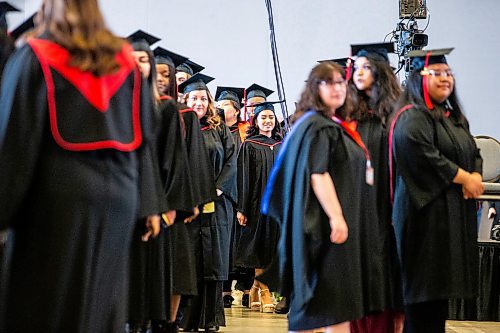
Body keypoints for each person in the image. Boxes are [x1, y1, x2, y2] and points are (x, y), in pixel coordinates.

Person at [0, 1, 163, 332]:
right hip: (118, 203)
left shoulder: (36, 56)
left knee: (42, 308)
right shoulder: (124, 64)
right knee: (99, 307)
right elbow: (145, 138)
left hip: (55, 203)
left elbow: (14, 145)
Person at [260, 61, 375, 333]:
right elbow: (318, 174)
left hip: (329, 229)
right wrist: (337, 217)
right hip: (323, 229)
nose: (337, 88)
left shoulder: (324, 124)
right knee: (328, 307)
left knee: (327, 307)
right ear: (314, 88)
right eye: (328, 82)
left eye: (340, 82)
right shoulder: (318, 126)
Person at [389, 48, 484, 333]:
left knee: (437, 302)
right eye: (437, 74)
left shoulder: (452, 117)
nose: (445, 79)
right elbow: (421, 154)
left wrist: (475, 174)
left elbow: (472, 149)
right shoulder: (412, 117)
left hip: (448, 221)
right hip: (422, 221)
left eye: (448, 74)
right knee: (421, 302)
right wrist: (464, 178)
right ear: (420, 78)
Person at [346, 43, 404, 333]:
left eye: (366, 67)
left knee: (383, 281)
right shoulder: (347, 112)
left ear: (380, 72)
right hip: (353, 209)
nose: (358, 73)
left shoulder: (396, 113)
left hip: (386, 209)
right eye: (355, 67)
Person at [178, 73, 237, 332]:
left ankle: (211, 319)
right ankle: (187, 319)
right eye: (194, 98)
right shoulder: (179, 126)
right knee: (189, 259)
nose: (199, 102)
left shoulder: (219, 128)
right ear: (186, 100)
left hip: (216, 203)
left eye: (203, 98)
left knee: (214, 261)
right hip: (188, 204)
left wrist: (219, 188)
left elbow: (232, 160)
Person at [234, 101, 283, 313]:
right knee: (259, 246)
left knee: (273, 247)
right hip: (256, 205)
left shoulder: (282, 144)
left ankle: (255, 286)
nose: (267, 121)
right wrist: (242, 208)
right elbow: (243, 179)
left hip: (278, 205)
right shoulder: (250, 145)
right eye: (263, 117)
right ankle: (264, 291)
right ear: (256, 121)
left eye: (270, 117)